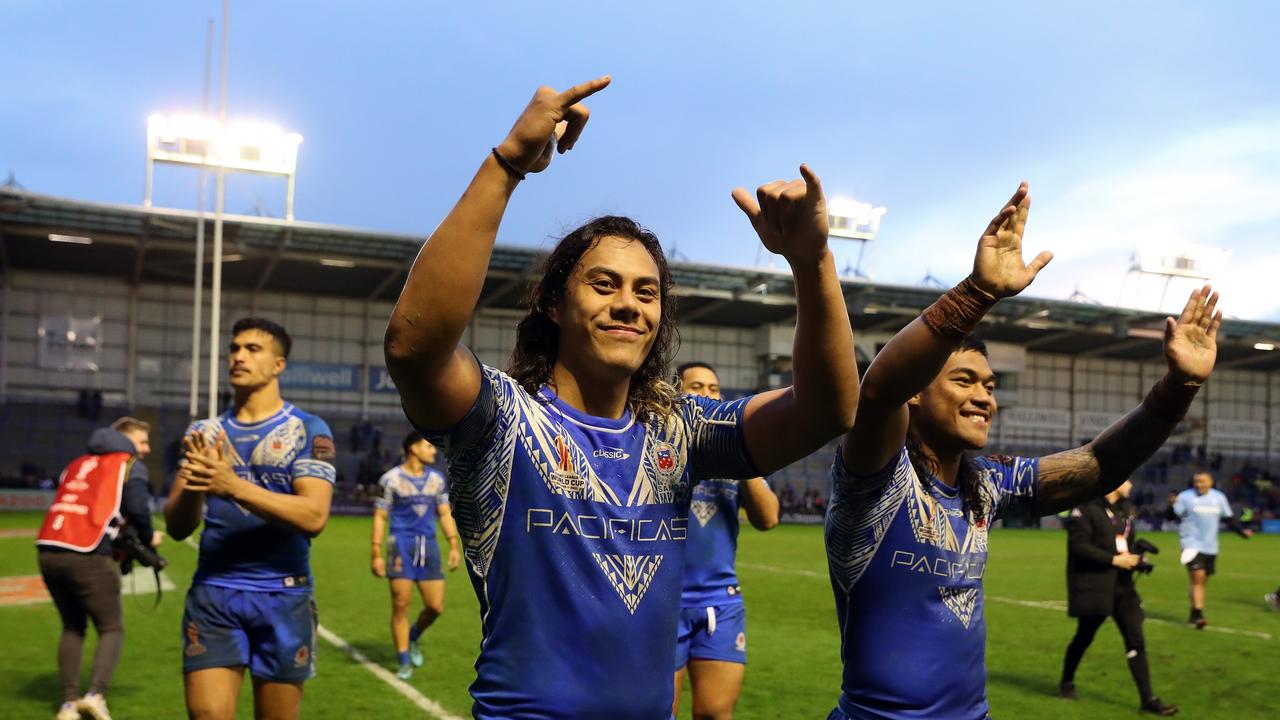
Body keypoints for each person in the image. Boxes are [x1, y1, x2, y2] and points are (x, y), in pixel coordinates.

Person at [383, 76, 858, 719]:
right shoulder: (502, 420)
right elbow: (415, 347)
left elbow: (828, 410)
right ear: (554, 302)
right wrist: (507, 165)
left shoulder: (679, 428)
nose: (629, 304)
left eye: (647, 292)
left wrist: (812, 261)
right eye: (604, 284)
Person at [826, 182, 1223, 720]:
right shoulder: (874, 478)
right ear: (916, 393)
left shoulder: (983, 483)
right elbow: (876, 393)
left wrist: (1177, 389)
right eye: (965, 380)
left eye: (990, 386)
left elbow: (1096, 467)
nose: (984, 397)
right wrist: (977, 292)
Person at [165, 318, 337, 720]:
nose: (239, 356)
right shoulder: (205, 432)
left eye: (253, 349)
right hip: (214, 592)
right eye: (234, 348)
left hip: (283, 594)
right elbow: (176, 527)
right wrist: (196, 483)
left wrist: (232, 485)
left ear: (279, 365)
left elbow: (314, 516)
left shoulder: (308, 430)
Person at [671, 362, 780, 720]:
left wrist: (742, 463)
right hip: (662, 602)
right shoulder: (659, 451)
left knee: (716, 714)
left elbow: (768, 518)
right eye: (696, 386)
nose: (706, 395)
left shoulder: (737, 456)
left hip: (720, 600)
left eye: (714, 389)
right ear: (676, 394)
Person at [36, 417, 157, 720]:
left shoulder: (78, 463)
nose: (146, 448)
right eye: (141, 441)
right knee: (111, 627)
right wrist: (147, 541)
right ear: (125, 440)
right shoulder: (127, 464)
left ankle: (67, 705)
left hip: (49, 549)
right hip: (88, 552)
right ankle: (95, 695)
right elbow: (139, 509)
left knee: (73, 626)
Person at [1058, 480, 1177, 715]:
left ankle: (1148, 699)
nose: (1132, 484)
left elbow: (1124, 547)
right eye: (1127, 479)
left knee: (1136, 640)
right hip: (1098, 586)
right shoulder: (1086, 509)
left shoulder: (1126, 510)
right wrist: (1114, 560)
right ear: (1114, 483)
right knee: (1084, 636)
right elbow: (1079, 546)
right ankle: (1067, 682)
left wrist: (1136, 561)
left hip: (1123, 587)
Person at [370, 432, 461, 679]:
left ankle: (414, 635)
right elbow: (380, 515)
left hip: (428, 546)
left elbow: (444, 513)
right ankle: (403, 660)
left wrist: (453, 544)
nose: (434, 451)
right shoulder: (390, 480)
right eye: (429, 446)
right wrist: (376, 552)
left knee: (435, 606)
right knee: (401, 605)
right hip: (400, 545)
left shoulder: (437, 480)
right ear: (412, 448)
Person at [1170, 472, 1251, 628]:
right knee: (1198, 577)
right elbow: (1172, 516)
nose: (1199, 484)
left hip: (1210, 546)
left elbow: (1229, 518)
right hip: (1190, 543)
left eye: (1202, 481)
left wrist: (1242, 532)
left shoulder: (1219, 497)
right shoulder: (1185, 496)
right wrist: (1171, 504)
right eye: (1196, 481)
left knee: (1202, 581)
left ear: (1211, 482)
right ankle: (1198, 615)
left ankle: (1194, 613)